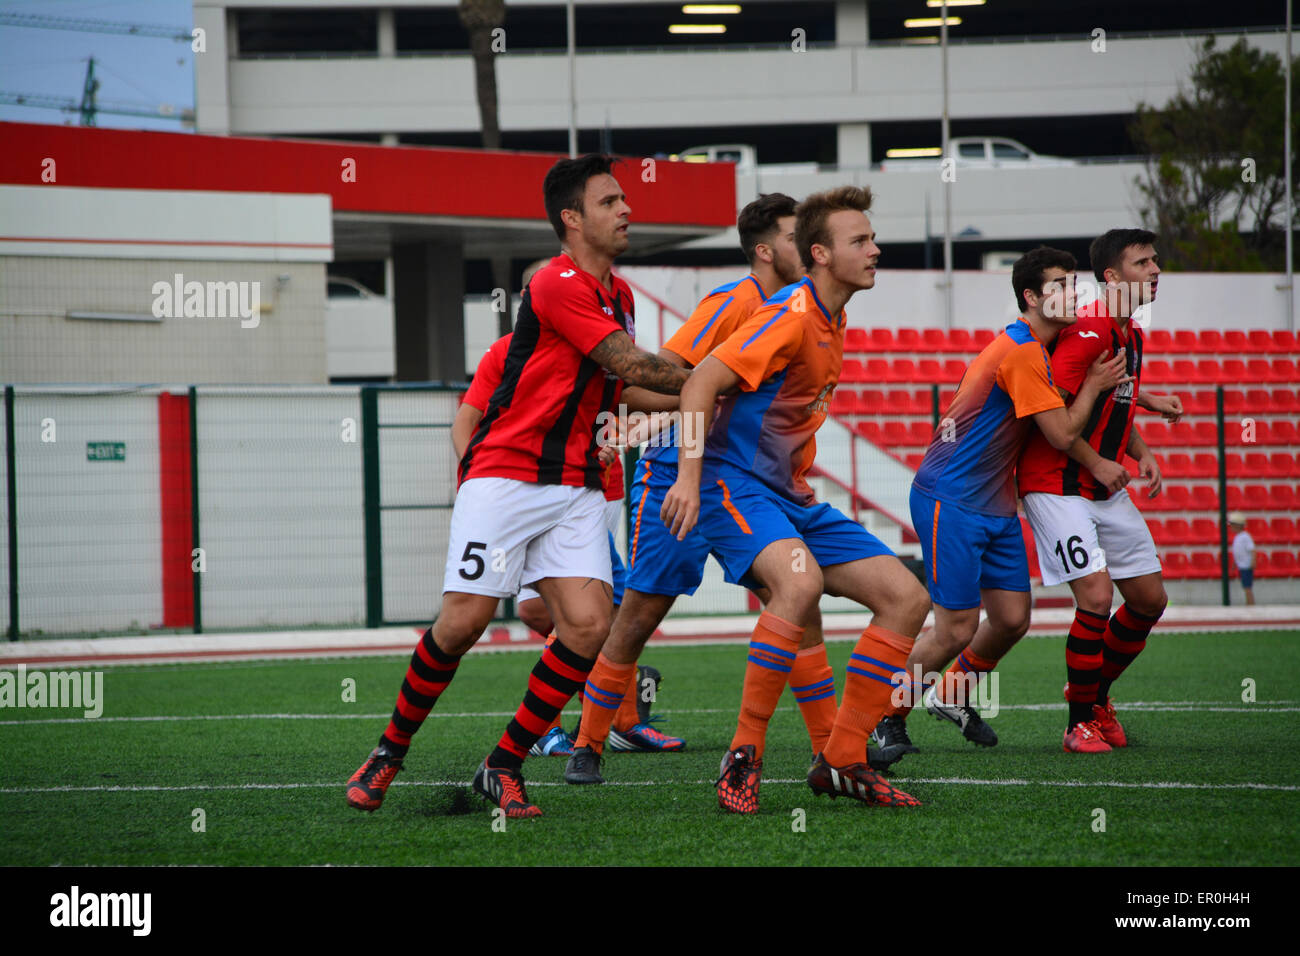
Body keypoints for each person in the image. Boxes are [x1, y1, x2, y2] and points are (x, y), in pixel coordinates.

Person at [345, 154, 690, 818]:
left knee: (588, 628)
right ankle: (388, 751)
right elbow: (628, 362)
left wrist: (700, 397)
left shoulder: (617, 295)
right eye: (610, 201)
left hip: (578, 489)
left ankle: (502, 765)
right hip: (505, 477)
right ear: (571, 218)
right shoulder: (554, 282)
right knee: (464, 623)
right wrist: (718, 374)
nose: (627, 210)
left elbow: (623, 386)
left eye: (624, 199)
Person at [662, 185, 932, 812]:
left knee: (906, 598)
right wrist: (688, 476)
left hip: (791, 497)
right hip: (732, 481)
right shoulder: (790, 314)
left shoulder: (834, 317)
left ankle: (840, 759)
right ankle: (742, 753)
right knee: (800, 586)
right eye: (860, 241)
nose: (875, 249)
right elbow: (700, 381)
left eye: (872, 238)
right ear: (820, 253)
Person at [564, 193, 836, 785]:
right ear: (765, 250)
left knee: (797, 601)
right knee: (638, 615)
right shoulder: (734, 302)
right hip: (675, 479)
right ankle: (588, 743)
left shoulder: (805, 311)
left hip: (745, 485)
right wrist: (696, 395)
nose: (807, 246)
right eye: (795, 237)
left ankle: (831, 753)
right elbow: (646, 378)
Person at [876, 248, 1131, 765]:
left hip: (992, 503)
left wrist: (1137, 398)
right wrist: (1099, 386)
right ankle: (887, 718)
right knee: (955, 628)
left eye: (1074, 281)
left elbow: (1067, 387)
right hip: (951, 498)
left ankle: (949, 695)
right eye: (1060, 284)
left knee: (1013, 619)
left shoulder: (1043, 345)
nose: (1073, 291)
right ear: (1032, 298)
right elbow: (1061, 431)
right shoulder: (1020, 351)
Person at [1017, 228, 1183, 754]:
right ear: (1111, 277)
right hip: (1057, 484)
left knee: (1149, 599)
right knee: (1095, 595)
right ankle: (1076, 724)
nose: (1155, 270)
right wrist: (1101, 462)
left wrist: (1142, 450)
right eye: (1142, 263)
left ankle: (1094, 698)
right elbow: (1057, 420)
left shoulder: (1130, 331)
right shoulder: (1088, 330)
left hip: (1100, 482)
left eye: (1155, 261)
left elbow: (1112, 405)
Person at [452, 319, 648, 759]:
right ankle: (561, 724)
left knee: (611, 615)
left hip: (596, 495)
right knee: (535, 612)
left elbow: (645, 407)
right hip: (527, 495)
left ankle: (616, 720)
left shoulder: (608, 352)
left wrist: (636, 428)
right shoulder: (506, 353)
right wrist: (479, 487)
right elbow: (466, 421)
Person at [1228, 511, 1256, 606]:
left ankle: (1250, 604)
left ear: (1238, 526)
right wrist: (1235, 563)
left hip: (1246, 565)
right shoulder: (1238, 537)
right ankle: (1249, 603)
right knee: (1245, 587)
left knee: (1247, 587)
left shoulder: (1245, 537)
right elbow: (1238, 552)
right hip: (1242, 565)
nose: (1231, 528)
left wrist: (1253, 561)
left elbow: (1252, 550)